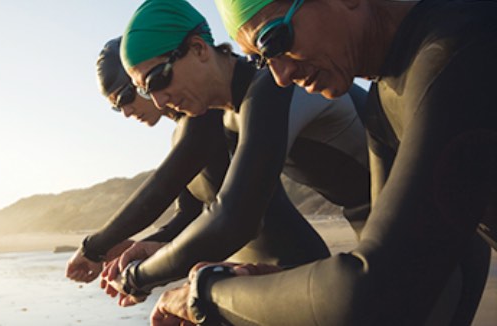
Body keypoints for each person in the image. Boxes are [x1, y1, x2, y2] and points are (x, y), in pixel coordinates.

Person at [147, 0, 496, 325]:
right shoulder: (383, 99)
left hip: (447, 265)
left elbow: (375, 291)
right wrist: (266, 285)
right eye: (261, 60)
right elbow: (373, 265)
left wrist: (206, 292)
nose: (280, 75)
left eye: (274, 39)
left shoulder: (460, 48)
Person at [105, 0, 371, 309]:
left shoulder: (272, 86)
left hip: (411, 217)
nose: (160, 101)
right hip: (376, 228)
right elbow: (212, 208)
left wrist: (138, 277)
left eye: (158, 80)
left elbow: (235, 218)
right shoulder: (231, 116)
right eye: (146, 92)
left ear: (198, 49)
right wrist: (157, 247)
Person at [66, 36, 352, 293]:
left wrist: (96, 248)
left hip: (290, 265)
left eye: (127, 96)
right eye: (116, 106)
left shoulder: (208, 116)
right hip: (243, 272)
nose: (127, 111)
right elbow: (190, 214)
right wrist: (144, 250)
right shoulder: (186, 131)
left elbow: (163, 188)